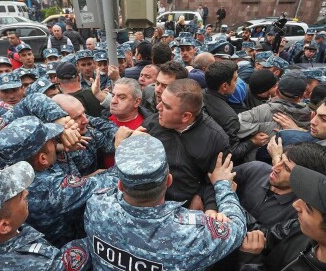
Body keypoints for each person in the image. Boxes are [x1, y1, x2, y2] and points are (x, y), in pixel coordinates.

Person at [84, 135, 246, 269]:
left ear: (120, 184)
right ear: (169, 180)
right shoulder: (191, 233)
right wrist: (223, 185)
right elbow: (237, 228)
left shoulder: (97, 205)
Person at [0, 116, 120, 247]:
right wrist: (121, 147)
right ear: (42, 158)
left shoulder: (10, 170)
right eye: (51, 141)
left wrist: (57, 147)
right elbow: (114, 180)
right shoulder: (51, 188)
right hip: (71, 245)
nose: (55, 142)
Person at [0, 162, 89, 270]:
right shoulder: (39, 265)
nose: (26, 192)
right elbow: (75, 261)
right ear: (4, 226)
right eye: (19, 195)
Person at [142, 78, 231, 210]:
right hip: (152, 205)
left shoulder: (216, 138)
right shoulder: (151, 125)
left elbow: (217, 179)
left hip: (188, 210)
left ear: (186, 116)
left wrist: (206, 201)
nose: (158, 107)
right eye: (160, 101)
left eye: (166, 106)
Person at [240, 164, 326, 271]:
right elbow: (262, 232)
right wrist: (227, 197)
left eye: (308, 209)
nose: (296, 205)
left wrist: (250, 262)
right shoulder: (299, 228)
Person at [234, 141, 326, 225]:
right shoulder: (256, 169)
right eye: (280, 159)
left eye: (287, 168)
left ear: (305, 179)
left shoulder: (299, 211)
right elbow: (221, 180)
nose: (275, 168)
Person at [204, 60, 269, 163]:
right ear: (225, 86)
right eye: (235, 80)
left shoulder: (200, 95)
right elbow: (230, 153)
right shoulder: (229, 117)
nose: (237, 83)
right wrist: (252, 142)